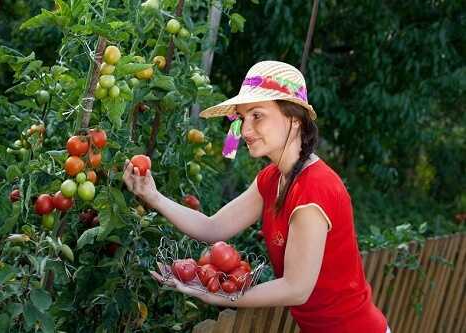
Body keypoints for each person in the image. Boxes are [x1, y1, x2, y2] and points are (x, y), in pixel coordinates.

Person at [122, 61, 390, 333]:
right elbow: (212, 228)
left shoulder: (314, 189)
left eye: (257, 116)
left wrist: (220, 295)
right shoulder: (273, 178)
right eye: (242, 118)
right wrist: (152, 196)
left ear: (294, 120)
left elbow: (297, 289)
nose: (246, 130)